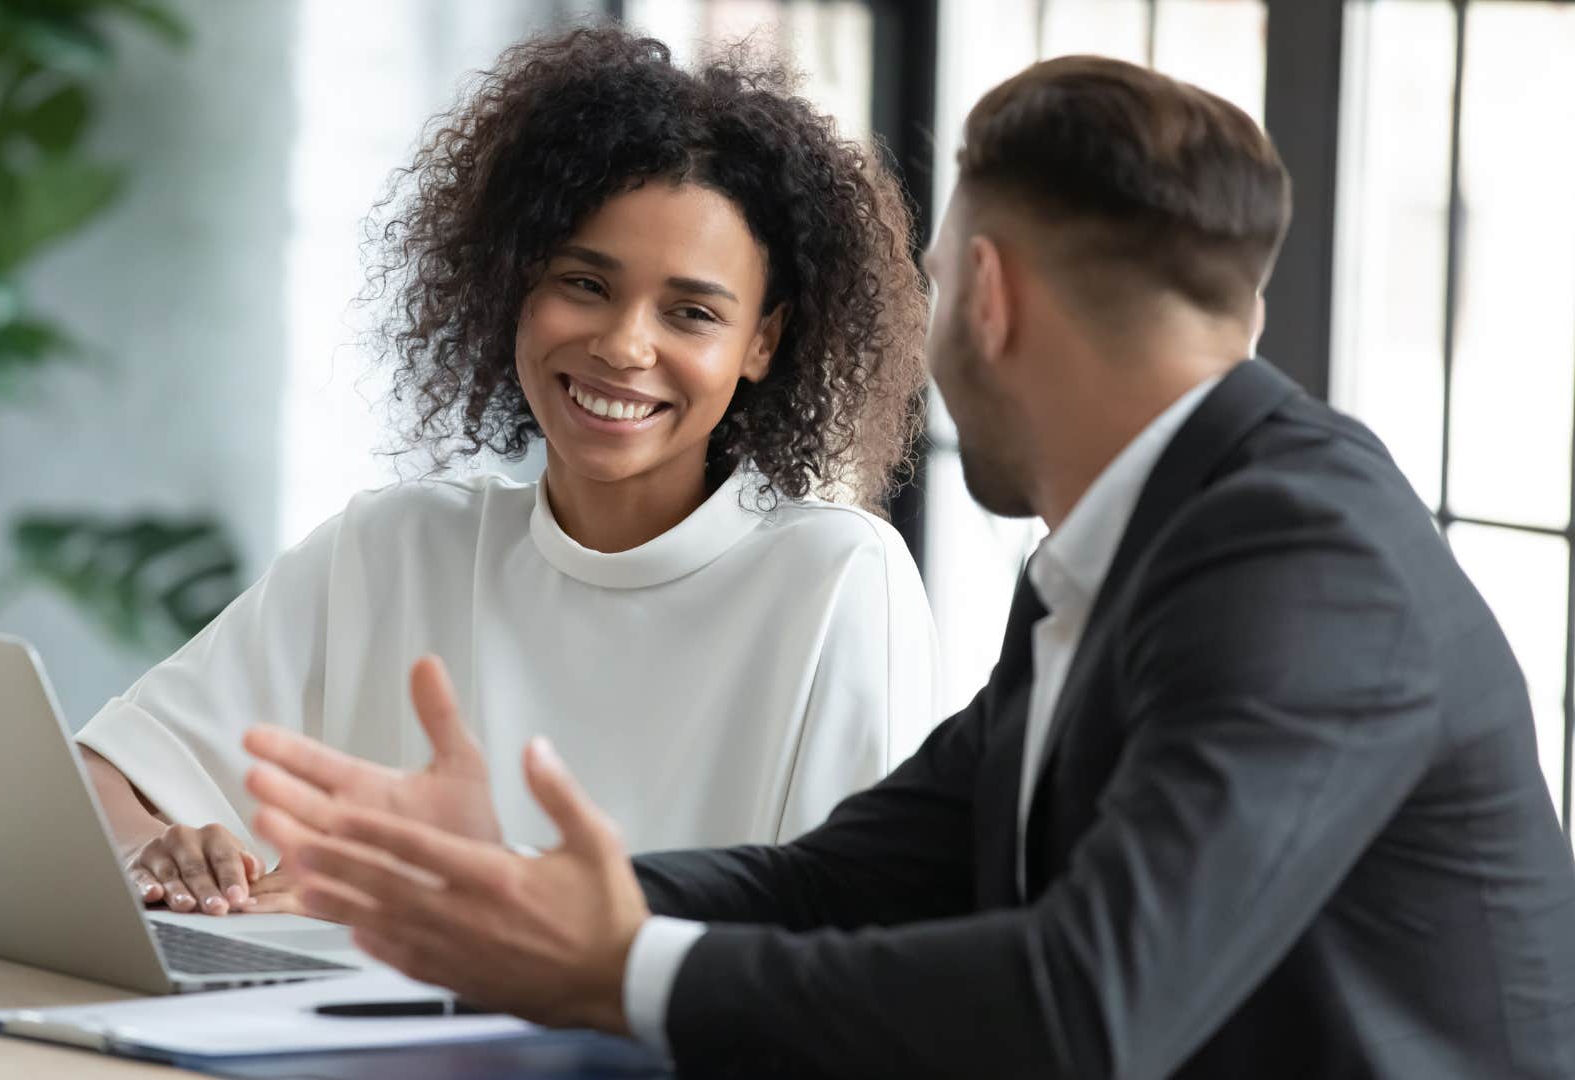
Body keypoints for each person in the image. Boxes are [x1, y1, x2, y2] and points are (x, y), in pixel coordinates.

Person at [241, 55, 1575, 1077]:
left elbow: (1086, 1006)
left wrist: (623, 971)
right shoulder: (1119, 554)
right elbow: (844, 879)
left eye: (933, 286)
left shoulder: (1303, 563)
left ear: (986, 298)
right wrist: (524, 896)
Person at [78, 26, 938, 921]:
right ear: (516, 284)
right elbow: (92, 775)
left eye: (690, 312)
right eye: (585, 284)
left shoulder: (837, 582)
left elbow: (850, 943)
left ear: (762, 340)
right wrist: (153, 848)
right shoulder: (394, 546)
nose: (623, 345)